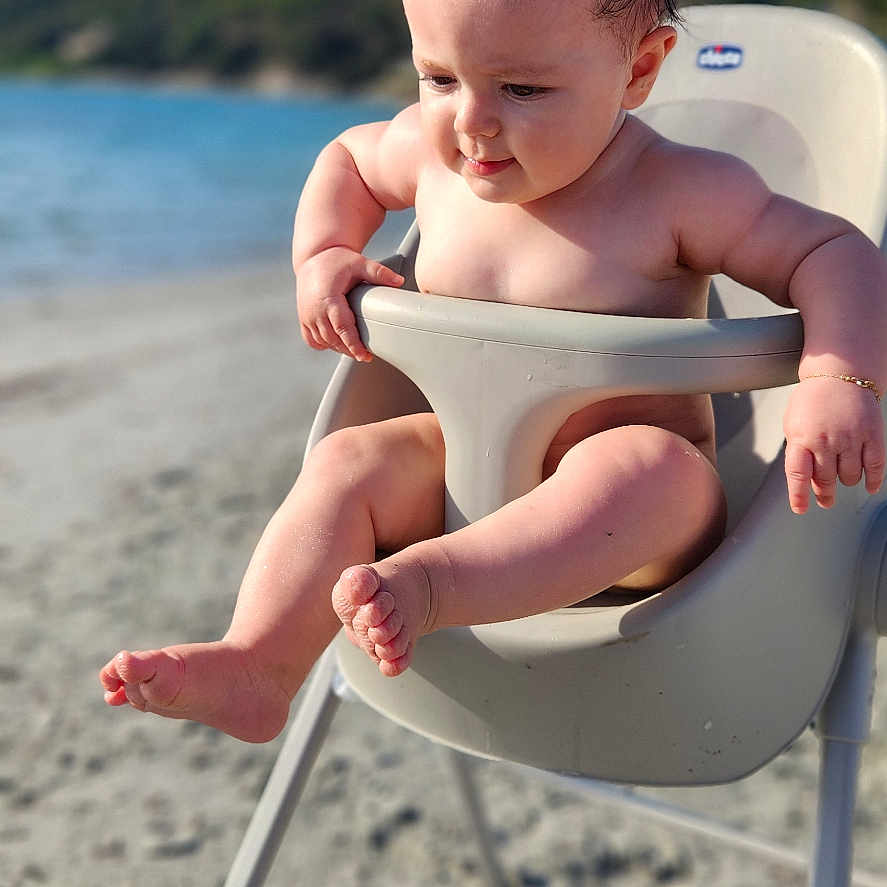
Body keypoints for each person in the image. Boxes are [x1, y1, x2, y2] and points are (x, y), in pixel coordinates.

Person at [100, 0, 886, 743]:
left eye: (521, 88)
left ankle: (431, 587)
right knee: (349, 459)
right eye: (439, 77)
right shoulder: (433, 161)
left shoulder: (678, 191)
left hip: (631, 537)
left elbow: (834, 252)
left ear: (639, 72)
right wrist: (322, 256)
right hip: (463, 484)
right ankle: (259, 662)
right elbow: (346, 157)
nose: (470, 121)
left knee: (650, 467)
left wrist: (834, 377)